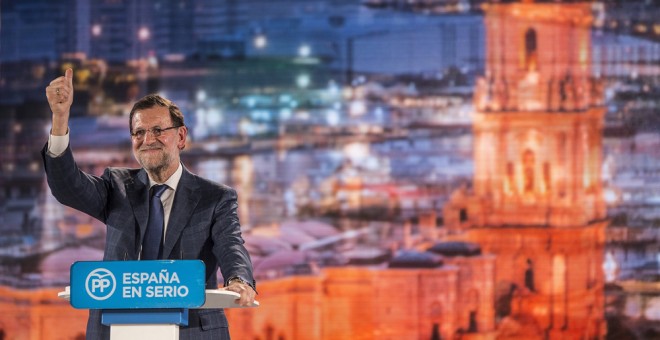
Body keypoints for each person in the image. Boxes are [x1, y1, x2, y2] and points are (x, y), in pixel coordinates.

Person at [42, 68, 256, 339]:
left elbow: (231, 245)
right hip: (117, 326)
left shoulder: (215, 197)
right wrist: (60, 120)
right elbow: (67, 187)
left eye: (158, 130)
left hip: (190, 330)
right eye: (139, 132)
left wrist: (238, 280)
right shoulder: (116, 186)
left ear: (180, 137)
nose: (147, 140)